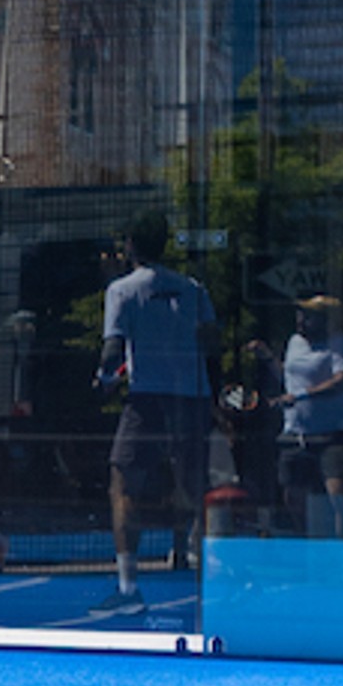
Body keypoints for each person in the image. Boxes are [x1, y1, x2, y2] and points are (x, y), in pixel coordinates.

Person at [97, 211, 218, 602]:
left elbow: (112, 348)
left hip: (147, 399)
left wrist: (105, 380)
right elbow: (211, 343)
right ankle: (213, 579)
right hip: (192, 397)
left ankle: (128, 585)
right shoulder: (194, 289)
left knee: (124, 485)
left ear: (130, 244)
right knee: (198, 489)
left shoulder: (121, 290)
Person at [279, 294, 343, 537]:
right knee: (292, 498)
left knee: (340, 498)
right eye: (300, 314)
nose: (301, 320)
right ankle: (310, 547)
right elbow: (289, 379)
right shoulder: (294, 342)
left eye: (309, 316)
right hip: (295, 433)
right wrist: (267, 359)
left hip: (333, 434)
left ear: (326, 320)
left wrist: (302, 396)